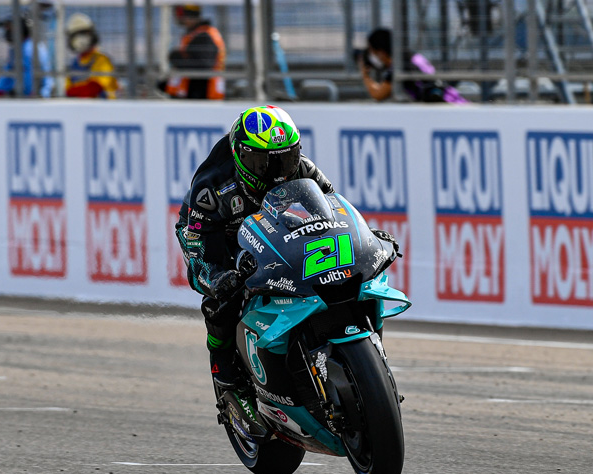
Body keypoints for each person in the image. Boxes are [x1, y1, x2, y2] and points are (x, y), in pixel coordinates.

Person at [174, 106, 335, 389]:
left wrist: (363, 236)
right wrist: (217, 278)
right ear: (241, 156)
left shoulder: (303, 169)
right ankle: (222, 367)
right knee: (223, 298)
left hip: (271, 226)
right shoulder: (211, 189)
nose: (277, 173)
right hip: (218, 234)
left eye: (285, 159)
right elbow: (200, 261)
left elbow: (335, 210)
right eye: (264, 163)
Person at [360, 28, 468, 103]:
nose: (371, 56)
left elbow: (378, 94)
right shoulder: (410, 57)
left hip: (445, 104)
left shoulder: (399, 66)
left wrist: (365, 75)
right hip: (452, 99)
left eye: (372, 51)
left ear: (381, 52)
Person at [164, 4, 226, 100]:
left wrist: (177, 58)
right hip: (197, 93)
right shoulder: (196, 34)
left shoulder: (204, 36)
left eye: (179, 13)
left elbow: (203, 66)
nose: (177, 17)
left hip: (203, 94)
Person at [0, 14, 54, 98]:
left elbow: (36, 76)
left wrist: (38, 94)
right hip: (19, 96)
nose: (7, 32)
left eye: (10, 28)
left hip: (31, 98)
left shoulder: (30, 48)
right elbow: (8, 72)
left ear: (22, 29)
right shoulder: (17, 48)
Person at [63, 13, 117, 99]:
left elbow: (94, 88)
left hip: (105, 106)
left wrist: (78, 90)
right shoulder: (75, 63)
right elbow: (68, 91)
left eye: (84, 33)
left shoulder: (102, 60)